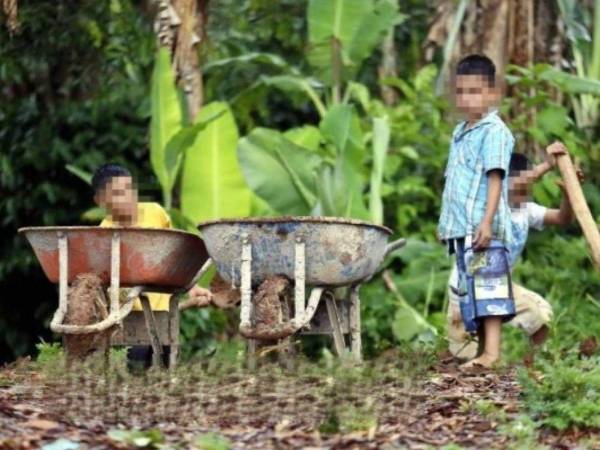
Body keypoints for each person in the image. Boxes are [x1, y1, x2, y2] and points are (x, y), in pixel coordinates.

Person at [447, 142, 582, 362]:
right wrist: (546, 166)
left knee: (542, 315)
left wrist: (568, 194)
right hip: (467, 289)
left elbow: (563, 218)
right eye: (520, 185)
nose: (525, 191)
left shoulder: (526, 210)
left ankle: (532, 365)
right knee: (464, 357)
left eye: (528, 189)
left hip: (501, 287)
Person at [92, 163, 212, 367]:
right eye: (119, 193)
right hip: (131, 314)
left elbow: (174, 255)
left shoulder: (155, 213)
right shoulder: (104, 233)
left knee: (166, 366)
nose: (128, 198)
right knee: (137, 369)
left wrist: (192, 287)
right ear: (101, 200)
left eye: (130, 190)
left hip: (162, 310)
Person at [438, 54, 514, 369]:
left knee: (488, 285)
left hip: (484, 227)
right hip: (462, 227)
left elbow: (494, 177)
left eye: (476, 91)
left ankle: (492, 354)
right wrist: (446, 224)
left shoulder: (494, 131)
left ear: (491, 93)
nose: (468, 99)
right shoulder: (460, 132)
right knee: (472, 290)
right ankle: (484, 352)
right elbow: (454, 182)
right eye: (462, 92)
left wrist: (486, 222)